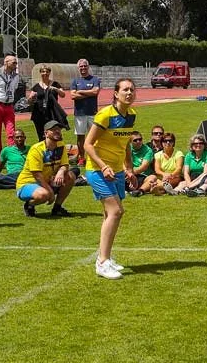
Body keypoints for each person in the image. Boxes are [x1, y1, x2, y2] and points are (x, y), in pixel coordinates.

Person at [84, 78, 138, 279]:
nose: (129, 93)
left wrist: (129, 168)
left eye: (132, 90)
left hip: (117, 170)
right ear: (115, 93)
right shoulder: (105, 114)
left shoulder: (132, 115)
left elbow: (125, 145)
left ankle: (104, 257)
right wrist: (103, 166)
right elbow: (87, 145)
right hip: (98, 170)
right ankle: (102, 262)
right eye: (125, 89)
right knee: (116, 211)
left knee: (109, 214)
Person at [16, 120, 75, 217]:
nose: (58, 132)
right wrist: (50, 192)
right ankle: (29, 205)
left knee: (70, 176)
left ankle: (57, 208)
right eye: (54, 130)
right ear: (46, 134)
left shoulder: (61, 146)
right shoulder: (37, 149)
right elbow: (37, 175)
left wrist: (61, 172)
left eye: (59, 129)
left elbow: (65, 165)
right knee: (43, 195)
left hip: (46, 182)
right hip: (27, 183)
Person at [0, 53, 22, 159]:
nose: (16, 64)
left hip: (9, 106)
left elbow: (13, 89)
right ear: (6, 62)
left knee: (11, 132)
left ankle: (11, 156)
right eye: (14, 62)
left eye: (16, 62)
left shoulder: (16, 77)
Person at [70, 58, 102, 155]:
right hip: (79, 113)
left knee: (94, 136)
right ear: (78, 68)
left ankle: (94, 156)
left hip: (92, 112)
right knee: (80, 136)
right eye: (81, 66)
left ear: (88, 67)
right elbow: (73, 95)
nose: (83, 68)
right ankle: (81, 157)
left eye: (85, 66)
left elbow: (96, 91)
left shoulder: (95, 79)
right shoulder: (75, 81)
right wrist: (89, 93)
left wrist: (80, 91)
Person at [28, 65, 68, 142]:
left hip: (52, 113)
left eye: (47, 71)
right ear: (40, 73)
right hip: (39, 113)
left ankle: (56, 150)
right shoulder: (36, 86)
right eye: (43, 71)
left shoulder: (55, 84)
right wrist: (31, 98)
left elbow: (63, 95)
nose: (45, 73)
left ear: (49, 73)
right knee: (41, 134)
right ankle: (43, 150)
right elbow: (29, 102)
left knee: (54, 134)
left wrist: (55, 89)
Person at [126, 131, 155, 195]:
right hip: (128, 175)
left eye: (140, 139)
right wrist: (128, 173)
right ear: (130, 142)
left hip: (142, 175)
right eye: (135, 140)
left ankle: (139, 191)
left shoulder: (148, 150)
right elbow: (123, 163)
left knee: (153, 177)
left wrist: (131, 173)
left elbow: (143, 167)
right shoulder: (127, 148)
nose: (138, 141)